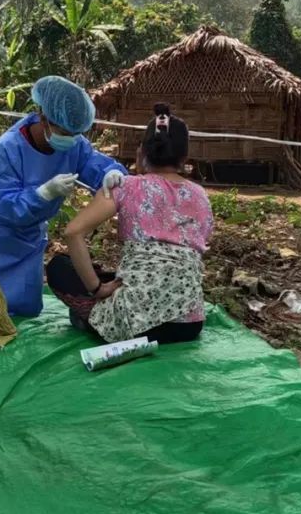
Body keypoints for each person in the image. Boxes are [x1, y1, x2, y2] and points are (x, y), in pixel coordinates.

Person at [0, 75, 126, 317]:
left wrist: (111, 173)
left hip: (27, 239)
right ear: (43, 118)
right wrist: (42, 193)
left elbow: (94, 164)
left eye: (76, 134)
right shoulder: (6, 150)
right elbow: (2, 205)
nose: (71, 140)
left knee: (23, 311)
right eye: (64, 132)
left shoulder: (75, 143)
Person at [47, 103, 212, 344]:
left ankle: (92, 317)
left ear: (141, 152)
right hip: (188, 325)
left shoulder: (127, 186)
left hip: (134, 324)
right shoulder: (200, 195)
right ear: (185, 157)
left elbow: (73, 233)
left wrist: (97, 289)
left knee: (60, 267)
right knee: (116, 275)